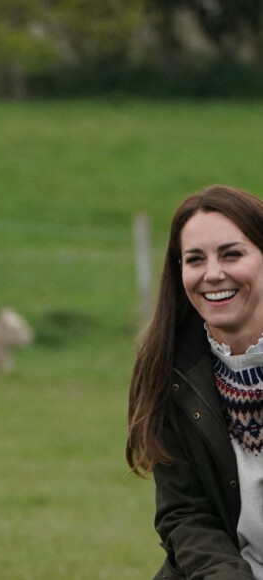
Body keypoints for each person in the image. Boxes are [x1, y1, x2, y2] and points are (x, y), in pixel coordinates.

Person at [126, 184, 263, 579]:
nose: (213, 274)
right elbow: (186, 514)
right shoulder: (169, 371)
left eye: (232, 254)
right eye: (195, 259)